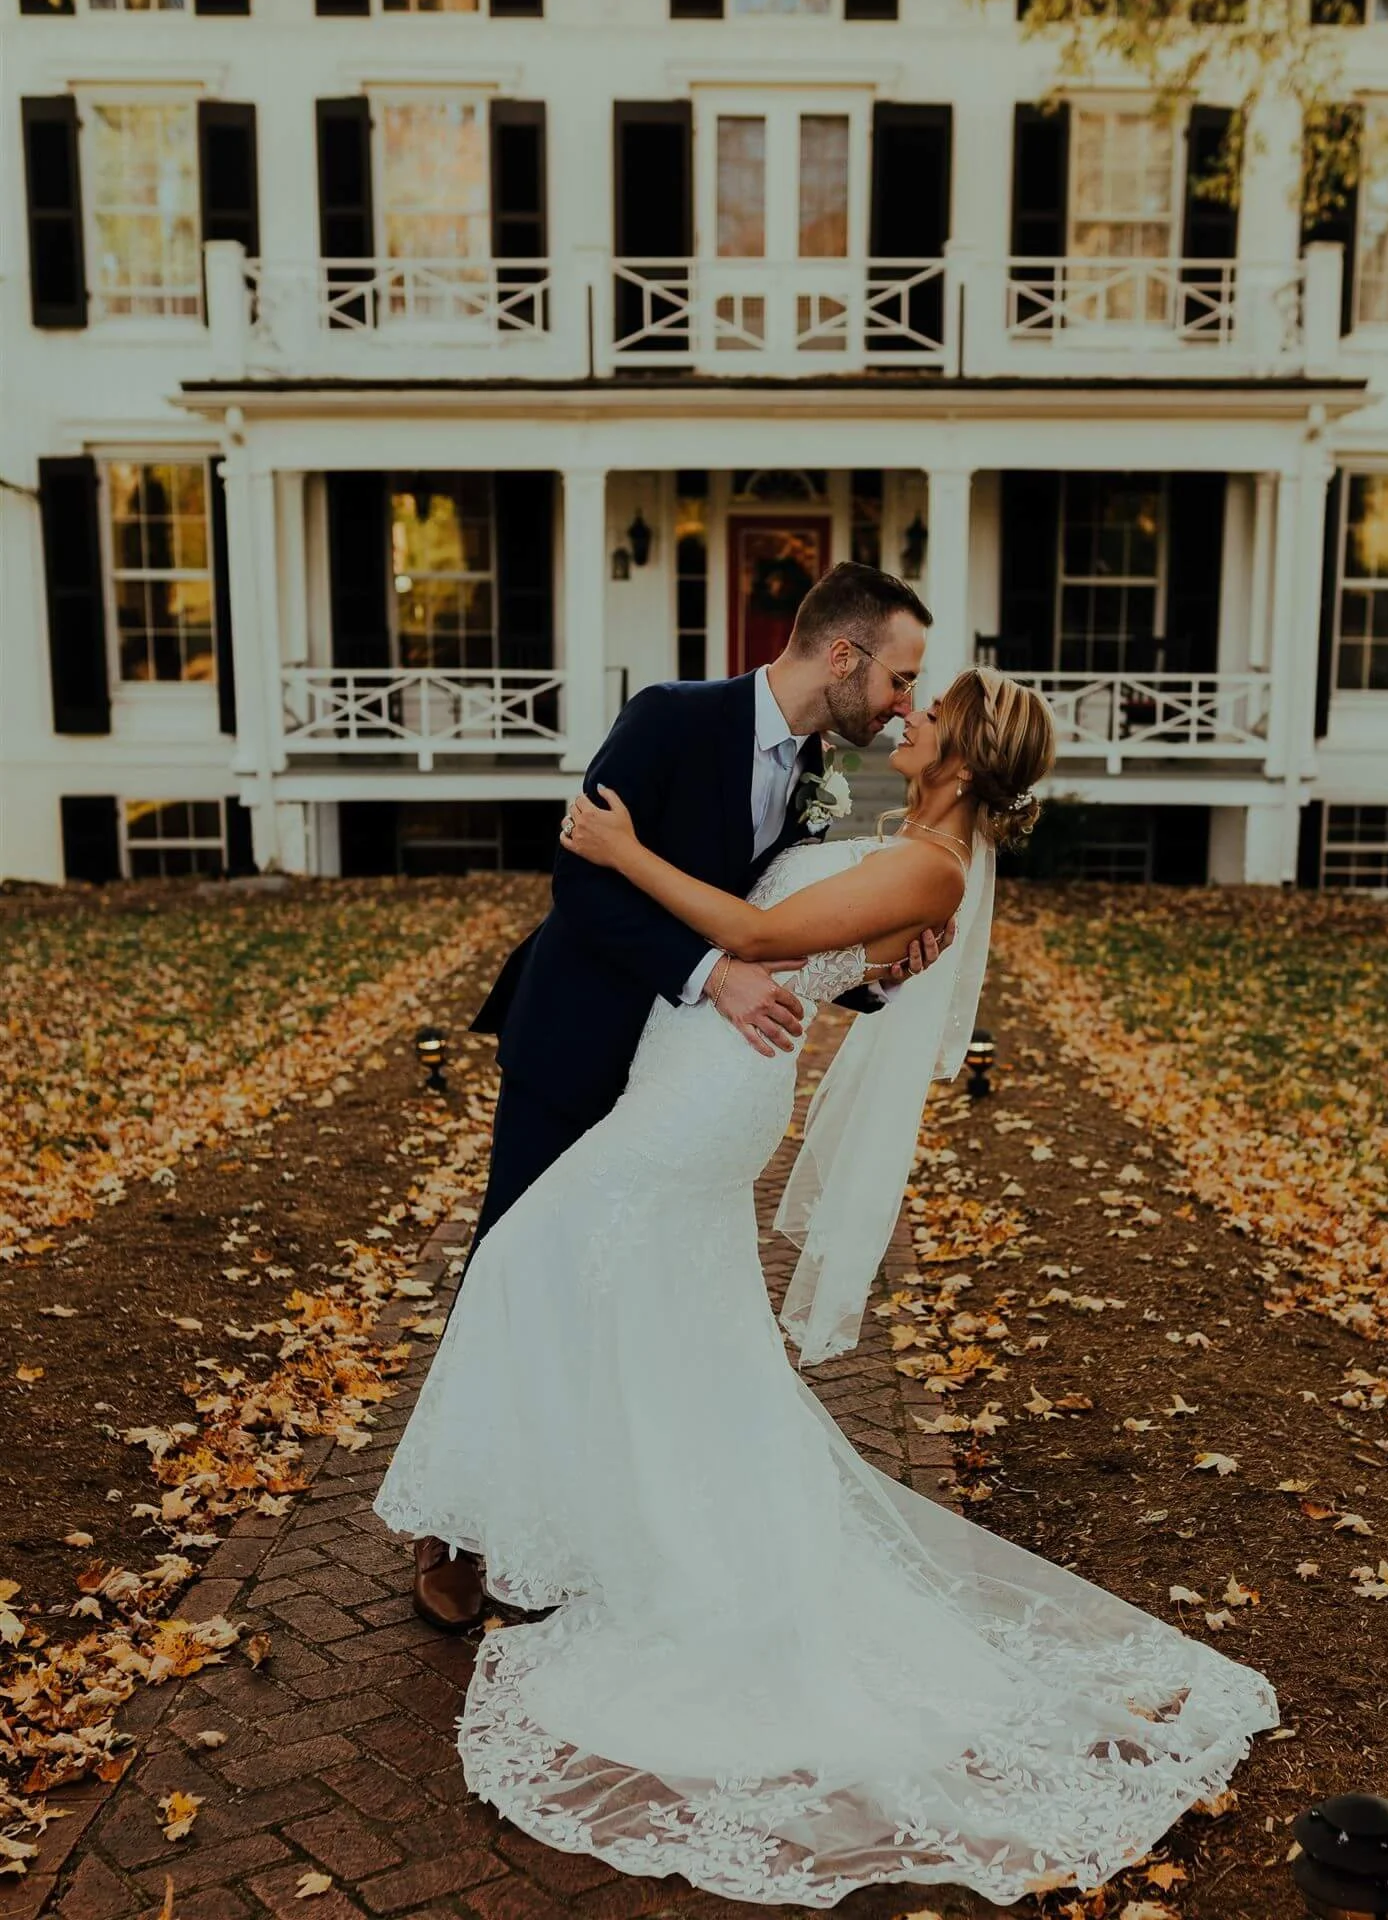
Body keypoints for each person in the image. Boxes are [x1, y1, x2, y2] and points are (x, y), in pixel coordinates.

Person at [373, 666, 1281, 1907]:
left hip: (709, 1090)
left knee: (533, 1259)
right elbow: (816, 940)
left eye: (932, 707)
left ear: (963, 759)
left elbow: (754, 939)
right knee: (653, 1315)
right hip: (684, 1066)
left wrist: (622, 846)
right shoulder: (904, 846)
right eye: (906, 683)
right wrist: (869, 969)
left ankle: (553, 1525)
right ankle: (592, 1516)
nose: (908, 715)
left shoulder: (933, 867)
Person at [409, 563, 949, 1630]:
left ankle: (571, 1511)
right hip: (578, 1038)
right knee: (516, 1258)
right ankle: (454, 1530)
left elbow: (795, 928)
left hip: (684, 1071)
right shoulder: (669, 718)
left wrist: (876, 975)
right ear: (841, 654)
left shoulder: (813, 770)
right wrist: (713, 972)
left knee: (619, 1286)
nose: (901, 704)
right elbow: (584, 884)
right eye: (898, 677)